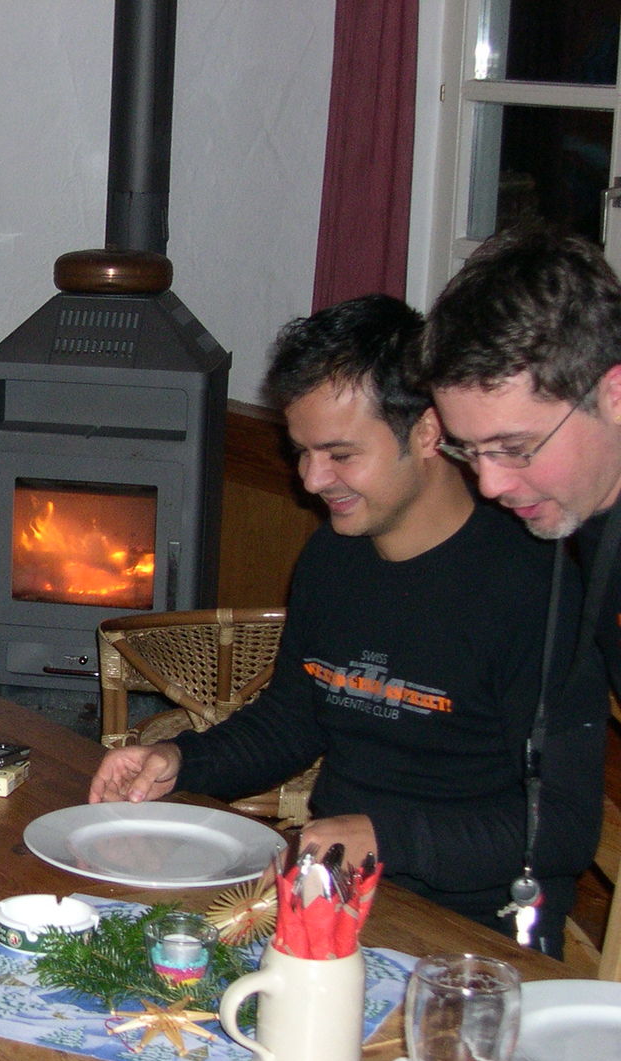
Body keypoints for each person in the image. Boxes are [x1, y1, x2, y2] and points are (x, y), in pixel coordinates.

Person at [87, 295, 604, 949]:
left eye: (339, 454)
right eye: (301, 452)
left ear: (427, 432)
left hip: (474, 932)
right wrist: (177, 761)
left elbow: (562, 828)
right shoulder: (333, 556)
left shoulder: (533, 586)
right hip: (332, 896)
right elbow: (292, 722)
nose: (311, 479)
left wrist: (383, 838)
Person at [417, 225, 621, 702]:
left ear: (615, 394)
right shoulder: (585, 503)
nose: (489, 485)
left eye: (513, 448)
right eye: (466, 449)